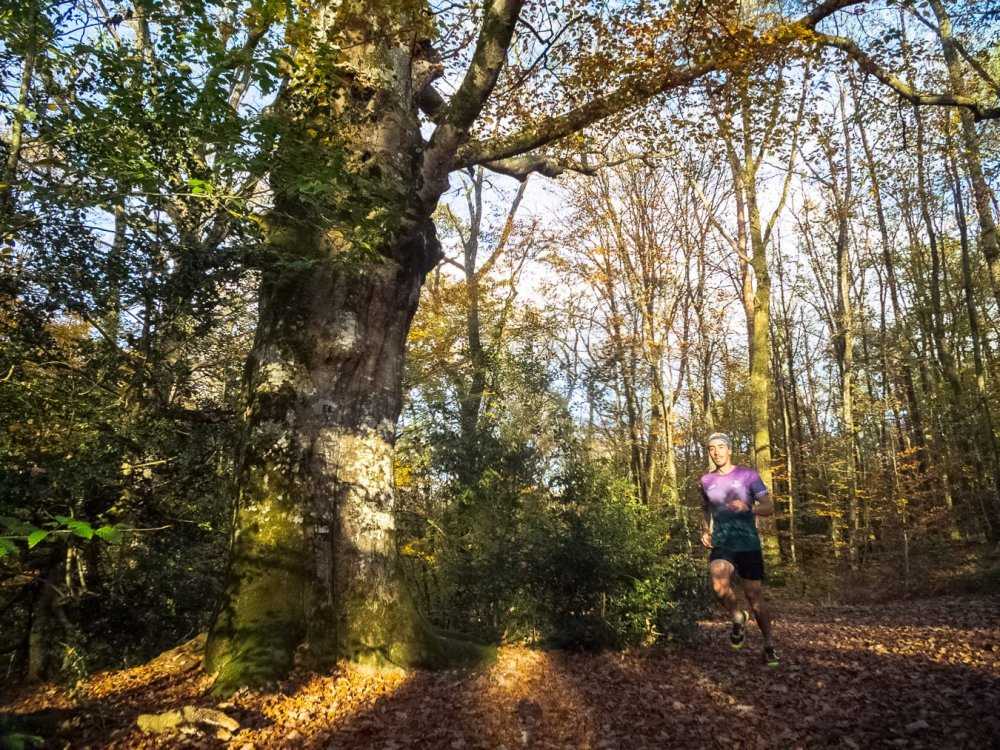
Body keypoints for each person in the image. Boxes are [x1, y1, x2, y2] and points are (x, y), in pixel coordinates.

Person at [699, 432, 779, 667]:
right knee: (717, 582)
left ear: (730, 450)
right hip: (723, 542)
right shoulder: (705, 481)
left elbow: (769, 506)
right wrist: (704, 530)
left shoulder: (748, 475)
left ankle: (769, 644)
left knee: (754, 597)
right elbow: (704, 509)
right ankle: (737, 616)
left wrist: (749, 508)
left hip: (748, 543)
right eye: (712, 448)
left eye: (721, 447)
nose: (717, 452)